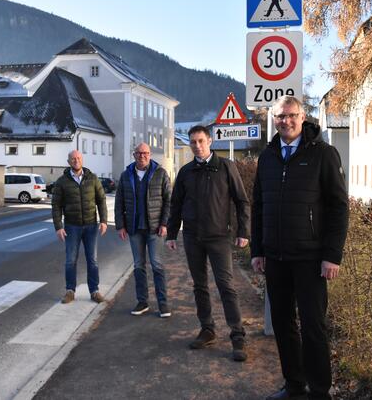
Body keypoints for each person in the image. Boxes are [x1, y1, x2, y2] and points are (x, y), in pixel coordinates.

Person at [251, 96, 349, 400]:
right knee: (282, 324)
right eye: (280, 116)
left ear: (302, 116)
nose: (286, 121)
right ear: (274, 119)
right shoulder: (267, 157)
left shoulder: (322, 154)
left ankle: (320, 391)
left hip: (310, 258)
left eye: (291, 115)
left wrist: (332, 255)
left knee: (313, 326)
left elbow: (339, 207)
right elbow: (259, 206)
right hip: (276, 257)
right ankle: (294, 385)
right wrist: (257, 250)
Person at [166, 125, 251, 362]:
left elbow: (242, 201)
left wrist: (243, 231)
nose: (197, 146)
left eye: (201, 141)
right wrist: (171, 234)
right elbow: (176, 205)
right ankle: (207, 329)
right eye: (193, 142)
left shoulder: (225, 167)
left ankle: (237, 335)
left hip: (219, 237)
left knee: (226, 286)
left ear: (210, 141)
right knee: (199, 286)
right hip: (192, 236)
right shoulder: (185, 172)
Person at [115, 142, 172, 318]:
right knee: (139, 266)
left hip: (154, 228)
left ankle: (163, 303)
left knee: (157, 265)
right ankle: (142, 301)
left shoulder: (160, 174)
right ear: (134, 155)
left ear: (150, 155)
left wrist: (164, 224)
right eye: (139, 153)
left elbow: (169, 201)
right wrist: (120, 225)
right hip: (134, 229)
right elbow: (119, 203)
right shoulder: (126, 175)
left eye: (145, 153)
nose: (142, 156)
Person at [52, 150, 108, 304]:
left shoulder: (93, 178)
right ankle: (70, 291)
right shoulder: (62, 181)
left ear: (82, 160)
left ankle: (94, 291)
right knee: (70, 260)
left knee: (93, 260)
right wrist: (58, 226)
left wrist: (104, 220)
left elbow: (101, 200)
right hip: (71, 226)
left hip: (91, 225)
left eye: (78, 158)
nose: (76, 161)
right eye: (73, 159)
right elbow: (56, 205)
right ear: (69, 161)